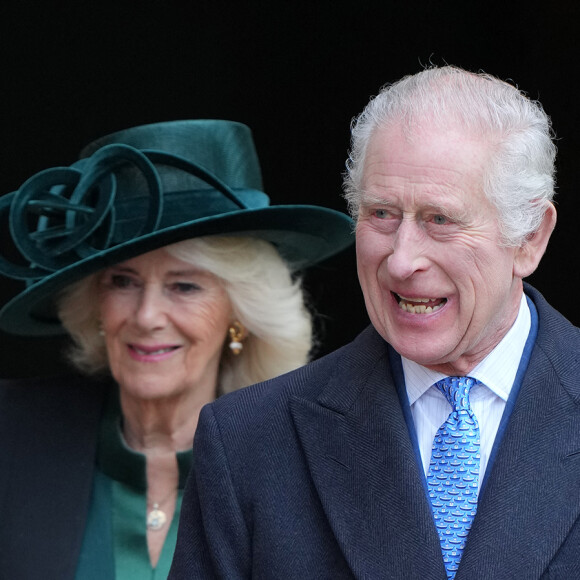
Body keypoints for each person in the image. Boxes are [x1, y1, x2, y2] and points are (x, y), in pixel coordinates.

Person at [169, 66, 580, 580]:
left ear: (530, 238)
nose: (402, 260)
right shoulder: (249, 442)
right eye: (382, 214)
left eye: (440, 220)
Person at [0, 119, 354, 579]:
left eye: (184, 286)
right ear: (94, 305)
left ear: (239, 313)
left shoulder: (307, 470)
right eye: (122, 281)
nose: (147, 316)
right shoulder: (12, 434)